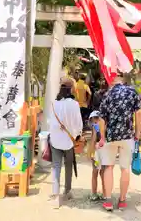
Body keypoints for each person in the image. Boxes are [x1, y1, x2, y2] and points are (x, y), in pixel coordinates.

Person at [99, 74, 141, 212]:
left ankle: (108, 201)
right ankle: (122, 200)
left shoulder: (107, 94)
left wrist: (101, 137)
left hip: (111, 136)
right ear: (123, 79)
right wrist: (137, 133)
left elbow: (101, 119)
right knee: (124, 168)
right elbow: (139, 114)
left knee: (109, 167)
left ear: (112, 80)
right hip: (127, 136)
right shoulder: (132, 92)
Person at [49, 80, 83, 209]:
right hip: (69, 140)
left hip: (55, 139)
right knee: (69, 165)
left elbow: (51, 122)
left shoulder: (54, 103)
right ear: (71, 89)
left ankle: (56, 196)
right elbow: (78, 123)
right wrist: (77, 135)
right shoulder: (74, 104)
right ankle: (67, 191)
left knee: (56, 166)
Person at [88, 110, 106, 201]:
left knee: (94, 172)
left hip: (97, 152)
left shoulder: (95, 125)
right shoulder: (104, 124)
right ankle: (105, 193)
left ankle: (94, 194)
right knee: (103, 173)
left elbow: (94, 139)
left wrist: (90, 152)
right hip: (105, 151)